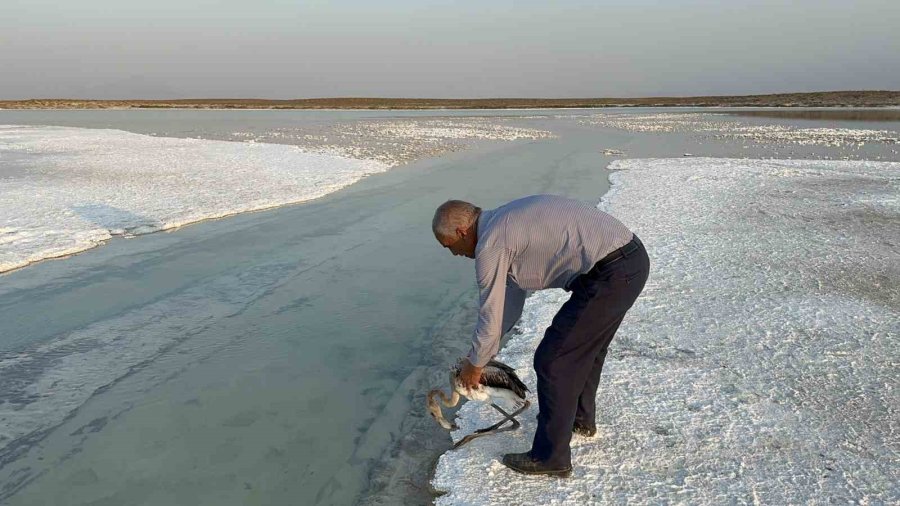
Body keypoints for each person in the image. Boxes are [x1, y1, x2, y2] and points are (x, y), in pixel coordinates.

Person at [432, 194, 649, 477]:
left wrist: (474, 365)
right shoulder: (501, 223)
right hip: (627, 262)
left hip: (612, 272)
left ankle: (551, 457)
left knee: (553, 360)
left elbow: (490, 310)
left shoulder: (491, 244)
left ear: (461, 232)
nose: (455, 254)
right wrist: (484, 353)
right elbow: (507, 304)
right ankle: (580, 420)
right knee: (586, 350)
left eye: (451, 246)